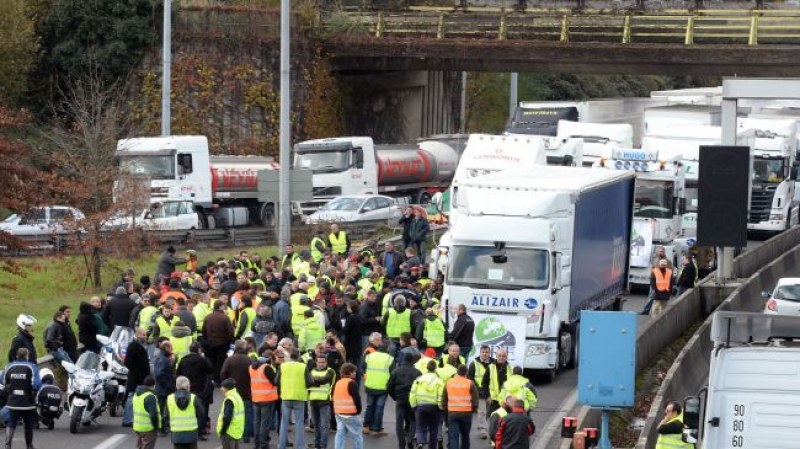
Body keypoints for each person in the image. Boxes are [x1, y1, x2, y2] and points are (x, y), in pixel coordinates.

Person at [3, 348, 40, 449]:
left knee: (11, 423)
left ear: (17, 356)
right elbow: (37, 384)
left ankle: (7, 445)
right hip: (27, 402)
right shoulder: (32, 367)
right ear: (27, 356)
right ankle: (29, 445)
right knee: (28, 424)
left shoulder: (9, 366)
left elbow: (3, 381)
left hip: (13, 401)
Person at [176, 343, 214, 439]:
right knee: (201, 411)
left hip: (188, 388)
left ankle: (188, 429)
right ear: (198, 350)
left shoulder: (184, 359)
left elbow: (178, 373)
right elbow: (210, 369)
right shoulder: (202, 360)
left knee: (189, 410)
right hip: (200, 388)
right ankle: (200, 432)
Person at [221, 340, 254, 444]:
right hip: (246, 391)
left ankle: (234, 433)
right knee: (247, 413)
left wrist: (227, 385)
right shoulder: (249, 360)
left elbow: (223, 374)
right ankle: (246, 435)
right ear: (244, 348)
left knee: (231, 413)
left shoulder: (230, 359)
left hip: (232, 392)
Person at [387, 352, 421, 449]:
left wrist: (395, 397)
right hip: (412, 400)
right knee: (413, 420)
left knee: (399, 422)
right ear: (412, 361)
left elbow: (389, 387)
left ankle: (401, 444)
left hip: (400, 399)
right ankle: (410, 439)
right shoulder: (417, 372)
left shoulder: (396, 371)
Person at [442, 365, 479, 449]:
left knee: (454, 437)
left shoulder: (449, 382)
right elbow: (475, 399)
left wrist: (445, 410)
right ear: (466, 372)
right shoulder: (470, 383)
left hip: (452, 412)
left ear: (457, 372)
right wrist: (473, 409)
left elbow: (444, 398)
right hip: (466, 412)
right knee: (465, 436)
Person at [277, 350, 308, 449]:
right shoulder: (303, 366)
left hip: (286, 396)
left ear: (290, 356)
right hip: (299, 397)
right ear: (298, 356)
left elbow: (275, 380)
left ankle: (281, 446)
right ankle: (300, 446)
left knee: (284, 423)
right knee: (299, 423)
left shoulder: (283, 366)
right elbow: (310, 381)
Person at [410, 360, 444, 449]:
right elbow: (441, 395)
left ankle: (420, 443)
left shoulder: (419, 379)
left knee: (420, 427)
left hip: (420, 406)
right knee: (433, 429)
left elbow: (412, 393)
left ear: (427, 368)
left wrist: (413, 405)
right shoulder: (439, 381)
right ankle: (432, 447)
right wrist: (440, 407)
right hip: (434, 407)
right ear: (435, 369)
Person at [165, 376, 205, 449]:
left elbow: (166, 416)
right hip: (191, 433)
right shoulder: (194, 398)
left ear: (176, 386)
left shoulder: (169, 398)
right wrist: (199, 430)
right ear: (187, 386)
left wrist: (170, 426)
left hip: (176, 433)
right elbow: (201, 415)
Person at [363, 343, 394, 436]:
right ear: (387, 349)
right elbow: (393, 373)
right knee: (379, 407)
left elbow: (363, 369)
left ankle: (366, 426)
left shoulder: (369, 356)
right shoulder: (389, 358)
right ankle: (376, 429)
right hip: (383, 387)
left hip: (370, 385)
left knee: (369, 406)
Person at [124, 327, 152, 428]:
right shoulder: (133, 346)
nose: (145, 337)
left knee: (137, 398)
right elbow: (127, 362)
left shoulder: (141, 345)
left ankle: (133, 418)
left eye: (145, 335)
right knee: (131, 398)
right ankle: (127, 419)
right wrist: (137, 371)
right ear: (137, 335)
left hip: (141, 377)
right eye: (143, 335)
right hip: (136, 377)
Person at [307, 354, 336, 449]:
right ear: (316, 362)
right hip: (313, 401)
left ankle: (323, 446)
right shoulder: (312, 370)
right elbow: (308, 382)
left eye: (323, 362)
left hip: (325, 401)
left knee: (324, 425)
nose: (321, 364)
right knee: (316, 425)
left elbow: (324, 380)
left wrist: (313, 380)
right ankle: (316, 444)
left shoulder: (330, 371)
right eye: (319, 362)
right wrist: (314, 381)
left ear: (326, 362)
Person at [249, 355, 278, 449]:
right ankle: (263, 444)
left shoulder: (251, 368)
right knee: (264, 423)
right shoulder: (266, 368)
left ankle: (256, 444)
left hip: (255, 398)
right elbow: (275, 381)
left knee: (256, 422)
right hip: (267, 398)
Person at [203, 300, 235, 384]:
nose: (224, 307)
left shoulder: (208, 317)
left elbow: (204, 330)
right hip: (222, 344)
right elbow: (231, 332)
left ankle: (211, 379)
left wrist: (207, 339)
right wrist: (230, 341)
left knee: (211, 361)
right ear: (220, 307)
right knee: (220, 362)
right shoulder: (225, 317)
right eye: (223, 306)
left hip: (210, 343)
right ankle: (218, 379)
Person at [333, 363, 363, 449]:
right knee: (357, 436)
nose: (355, 373)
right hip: (351, 414)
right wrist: (358, 411)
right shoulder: (352, 383)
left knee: (340, 435)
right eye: (354, 372)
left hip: (339, 414)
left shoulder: (338, 382)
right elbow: (357, 399)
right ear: (349, 372)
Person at [468, 345, 494, 439]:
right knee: (481, 412)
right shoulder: (474, 363)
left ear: (489, 353)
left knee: (491, 412)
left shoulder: (494, 363)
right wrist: (476, 389)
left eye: (487, 352)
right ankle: (482, 430)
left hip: (492, 392)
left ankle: (492, 430)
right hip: (479, 391)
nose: (485, 354)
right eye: (483, 352)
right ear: (480, 353)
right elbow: (470, 378)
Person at [154, 340, 176, 433]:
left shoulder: (162, 357)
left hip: (161, 388)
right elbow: (160, 374)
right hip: (163, 389)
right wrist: (168, 385)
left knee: (161, 408)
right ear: (166, 348)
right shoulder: (164, 359)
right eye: (171, 347)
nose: (172, 349)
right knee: (162, 409)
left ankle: (162, 426)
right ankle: (161, 427)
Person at [133, 375, 161, 449]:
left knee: (140, 446)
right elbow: (153, 415)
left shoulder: (137, 394)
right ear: (154, 385)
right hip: (148, 428)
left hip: (138, 426)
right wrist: (156, 426)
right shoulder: (150, 396)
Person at [217, 378, 245, 449]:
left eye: (222, 387)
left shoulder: (229, 400)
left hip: (228, 432)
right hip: (237, 431)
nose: (221, 389)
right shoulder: (237, 396)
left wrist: (222, 431)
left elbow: (227, 417)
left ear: (227, 388)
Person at [484, 349, 511, 413]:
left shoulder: (509, 368)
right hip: (493, 400)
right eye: (499, 356)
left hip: (505, 400)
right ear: (496, 356)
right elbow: (484, 383)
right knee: (492, 420)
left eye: (503, 356)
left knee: (504, 421)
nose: (501, 357)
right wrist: (487, 396)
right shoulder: (490, 367)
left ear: (506, 357)